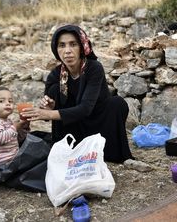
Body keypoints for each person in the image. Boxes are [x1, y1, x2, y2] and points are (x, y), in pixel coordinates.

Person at [21, 24, 138, 165]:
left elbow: (85, 109)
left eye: (73, 44)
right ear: (56, 49)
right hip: (74, 126)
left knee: (117, 103)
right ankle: (70, 148)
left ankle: (107, 151)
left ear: (82, 47)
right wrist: (49, 108)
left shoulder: (94, 68)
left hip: (97, 123)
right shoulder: (55, 74)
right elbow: (50, 114)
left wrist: (48, 114)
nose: (67, 51)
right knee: (54, 90)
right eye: (62, 45)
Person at [0, 87, 30, 165]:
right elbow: (0, 138)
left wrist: (23, 126)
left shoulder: (8, 121)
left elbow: (14, 138)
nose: (8, 103)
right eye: (1, 101)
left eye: (10, 101)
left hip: (12, 159)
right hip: (1, 164)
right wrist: (14, 127)